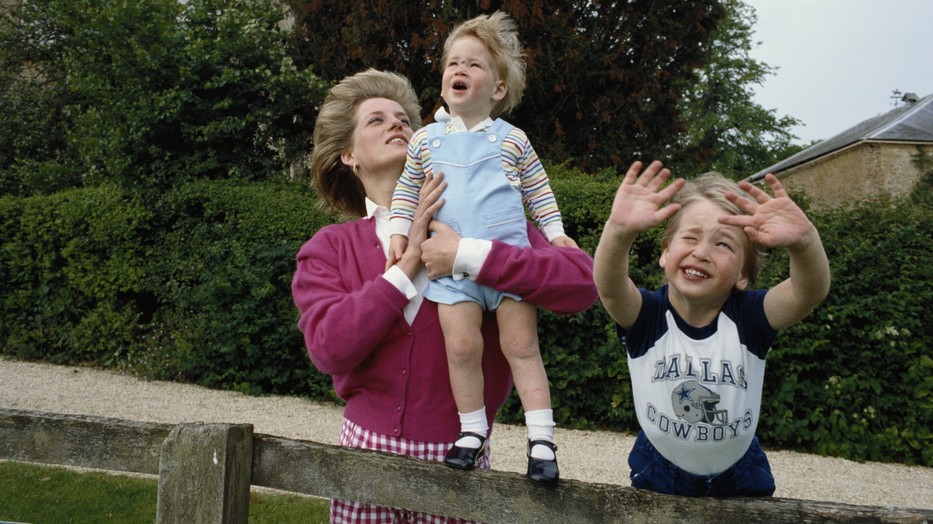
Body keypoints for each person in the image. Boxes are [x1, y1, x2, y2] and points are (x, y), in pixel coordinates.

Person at [292, 68, 597, 522]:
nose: (397, 123)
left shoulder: (496, 226)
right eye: (376, 120)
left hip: (462, 465)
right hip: (363, 458)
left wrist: (470, 255)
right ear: (349, 155)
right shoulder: (329, 248)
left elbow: (581, 285)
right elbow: (329, 349)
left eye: (403, 118)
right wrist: (409, 261)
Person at [385, 11, 575, 485]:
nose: (459, 70)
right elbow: (407, 191)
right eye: (452, 63)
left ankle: (542, 439)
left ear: (497, 89)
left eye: (473, 64)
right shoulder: (426, 140)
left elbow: (538, 191)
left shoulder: (513, 139)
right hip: (452, 274)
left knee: (521, 347)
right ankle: (471, 432)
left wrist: (554, 234)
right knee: (463, 348)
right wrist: (400, 234)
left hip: (508, 267)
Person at [593, 161, 830, 497]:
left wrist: (804, 242)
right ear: (665, 253)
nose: (701, 252)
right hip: (660, 467)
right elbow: (610, 287)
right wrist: (618, 231)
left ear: (743, 276)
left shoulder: (751, 318)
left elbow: (809, 292)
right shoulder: (648, 316)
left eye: (723, 245)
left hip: (740, 471)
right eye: (690, 237)